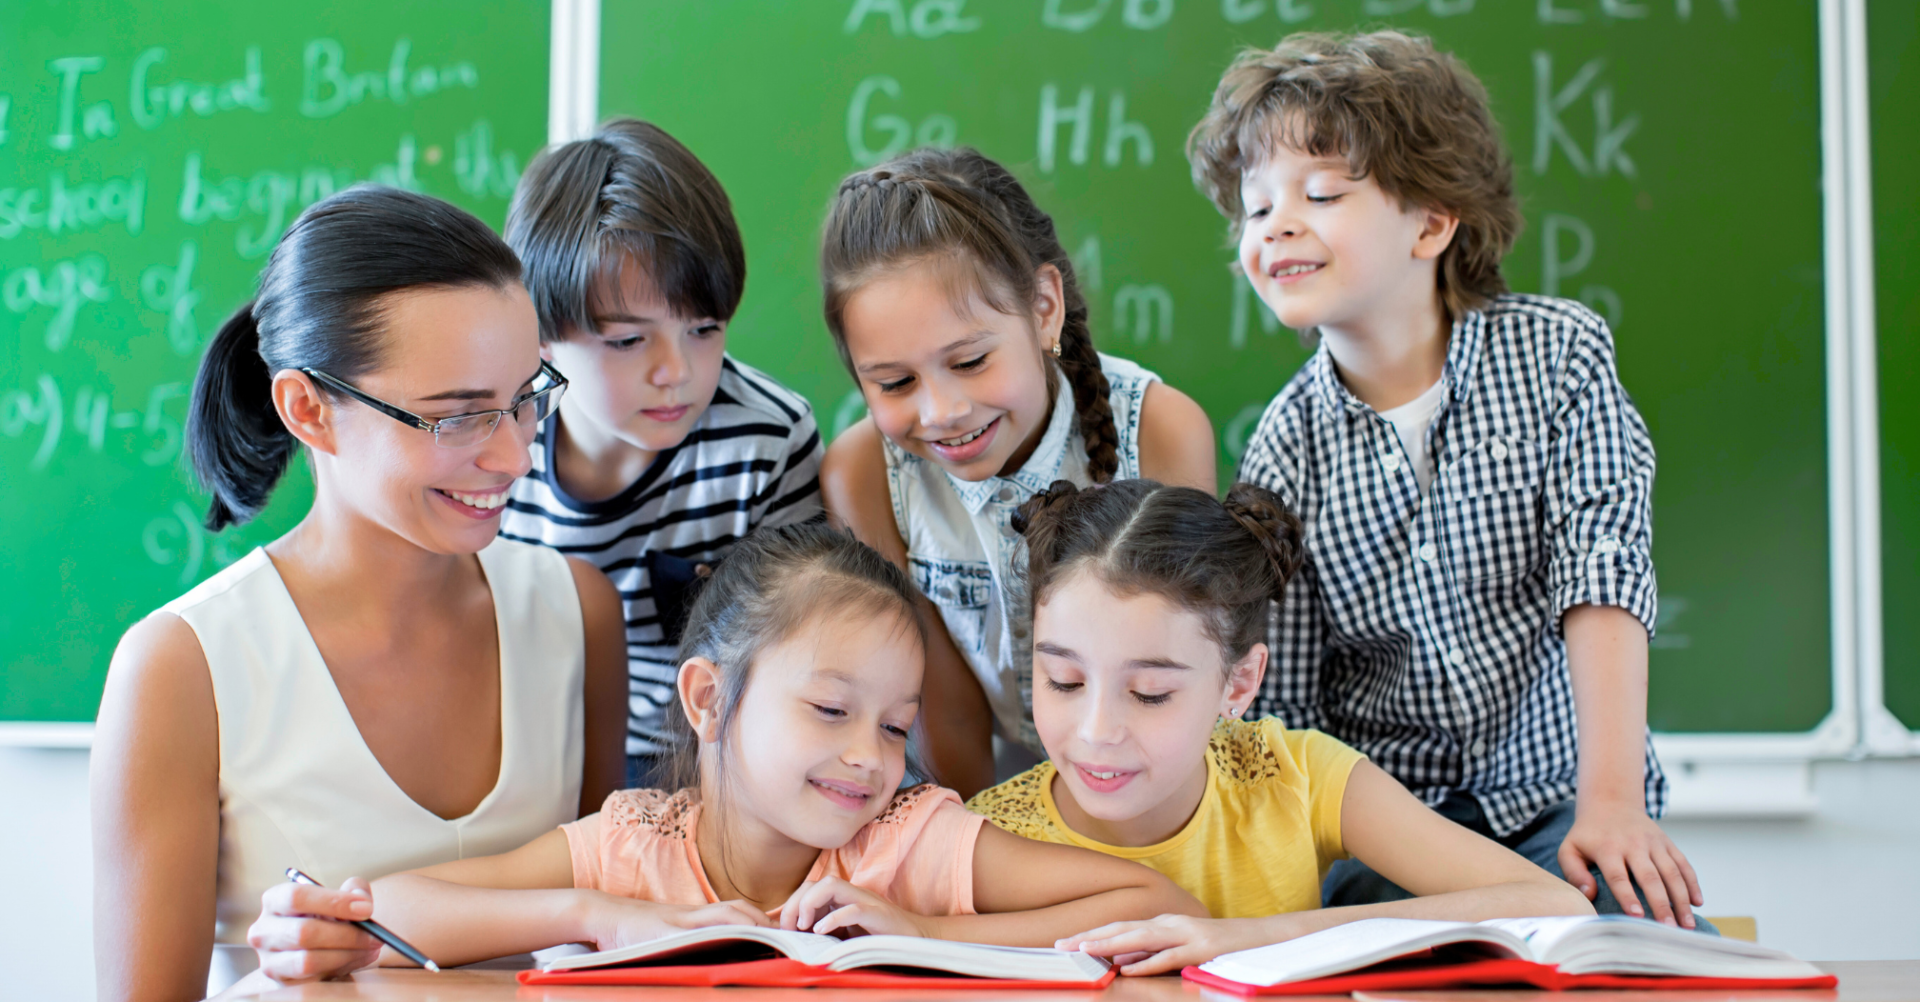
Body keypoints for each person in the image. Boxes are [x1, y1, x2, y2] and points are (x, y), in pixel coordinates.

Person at [1188, 31, 1706, 927]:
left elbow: (1603, 569)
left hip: (1562, 806)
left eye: (1319, 194)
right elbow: (1288, 711)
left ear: (1431, 222)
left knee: (1630, 958)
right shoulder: (1284, 450)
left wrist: (1612, 803)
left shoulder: (1559, 356)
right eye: (1254, 206)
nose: (1274, 225)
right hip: (1391, 835)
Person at [90, 186, 628, 1002]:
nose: (517, 456)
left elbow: (607, 953)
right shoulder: (181, 669)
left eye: (527, 399)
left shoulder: (577, 612)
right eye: (459, 417)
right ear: (309, 409)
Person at [360, 522, 1205, 963]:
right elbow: (385, 911)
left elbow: (1161, 907)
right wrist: (597, 917)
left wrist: (922, 934)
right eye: (830, 710)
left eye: (894, 727)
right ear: (708, 696)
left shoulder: (907, 843)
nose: (869, 759)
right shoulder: (631, 850)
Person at [969, 479, 1594, 975]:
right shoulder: (982, 839)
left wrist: (1247, 938)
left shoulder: (1293, 773)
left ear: (1238, 684)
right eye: (1065, 683)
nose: (1097, 731)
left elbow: (1552, 902)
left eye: (1150, 693)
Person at [818, 147, 1217, 796]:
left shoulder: (1161, 433)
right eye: (894, 382)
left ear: (1043, 307)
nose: (942, 411)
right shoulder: (862, 475)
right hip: (991, 788)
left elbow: (1180, 681)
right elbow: (940, 701)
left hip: (1150, 782)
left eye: (971, 361)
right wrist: (987, 851)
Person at [499, 119, 823, 789]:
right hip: (529, 743)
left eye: (704, 330)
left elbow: (793, 649)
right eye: (628, 342)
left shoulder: (767, 438)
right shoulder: (497, 439)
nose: (677, 371)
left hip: (697, 756)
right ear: (542, 339)